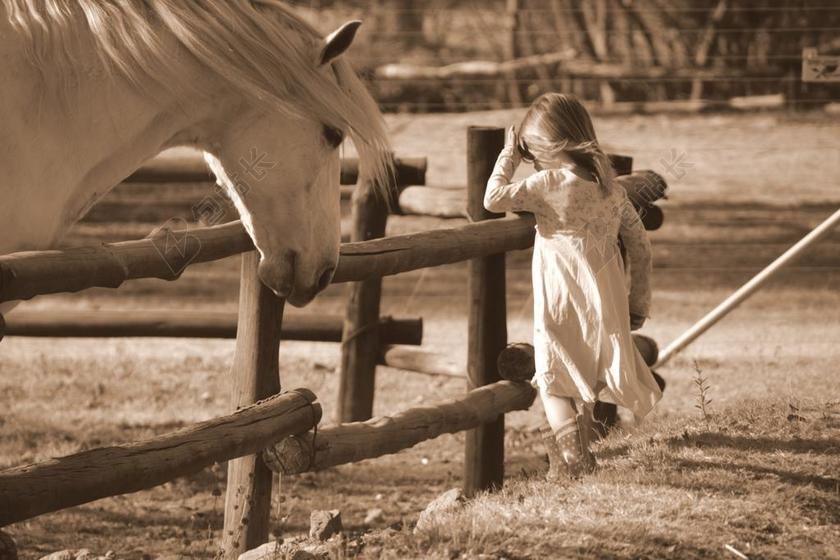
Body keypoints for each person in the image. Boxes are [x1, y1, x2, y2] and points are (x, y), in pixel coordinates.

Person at [484, 93, 663, 479]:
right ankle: (573, 462)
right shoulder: (610, 190)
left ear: (548, 144)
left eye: (530, 150)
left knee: (551, 378)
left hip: (561, 295)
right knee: (584, 374)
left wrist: (508, 159)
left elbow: (492, 199)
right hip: (606, 297)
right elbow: (641, 247)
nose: (529, 158)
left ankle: (577, 464)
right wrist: (637, 303)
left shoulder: (546, 183)